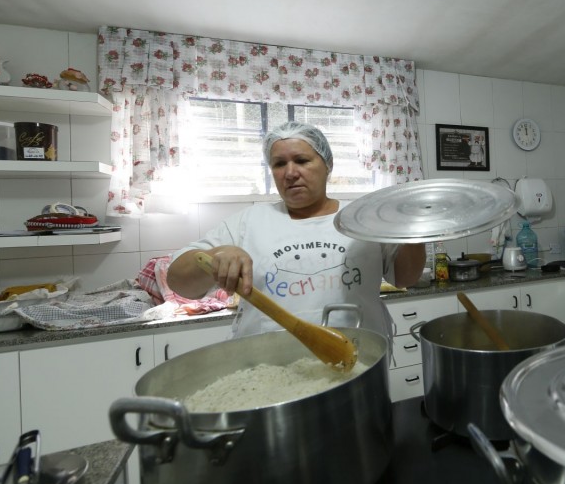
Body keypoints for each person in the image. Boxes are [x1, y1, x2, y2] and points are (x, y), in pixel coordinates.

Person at [167, 121, 426, 337]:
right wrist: (218, 256)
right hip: (269, 366)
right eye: (279, 164)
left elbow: (404, 278)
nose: (290, 173)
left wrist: (416, 229)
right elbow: (179, 282)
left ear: (327, 165)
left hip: (359, 357)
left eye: (302, 160)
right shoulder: (250, 222)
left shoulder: (364, 218)